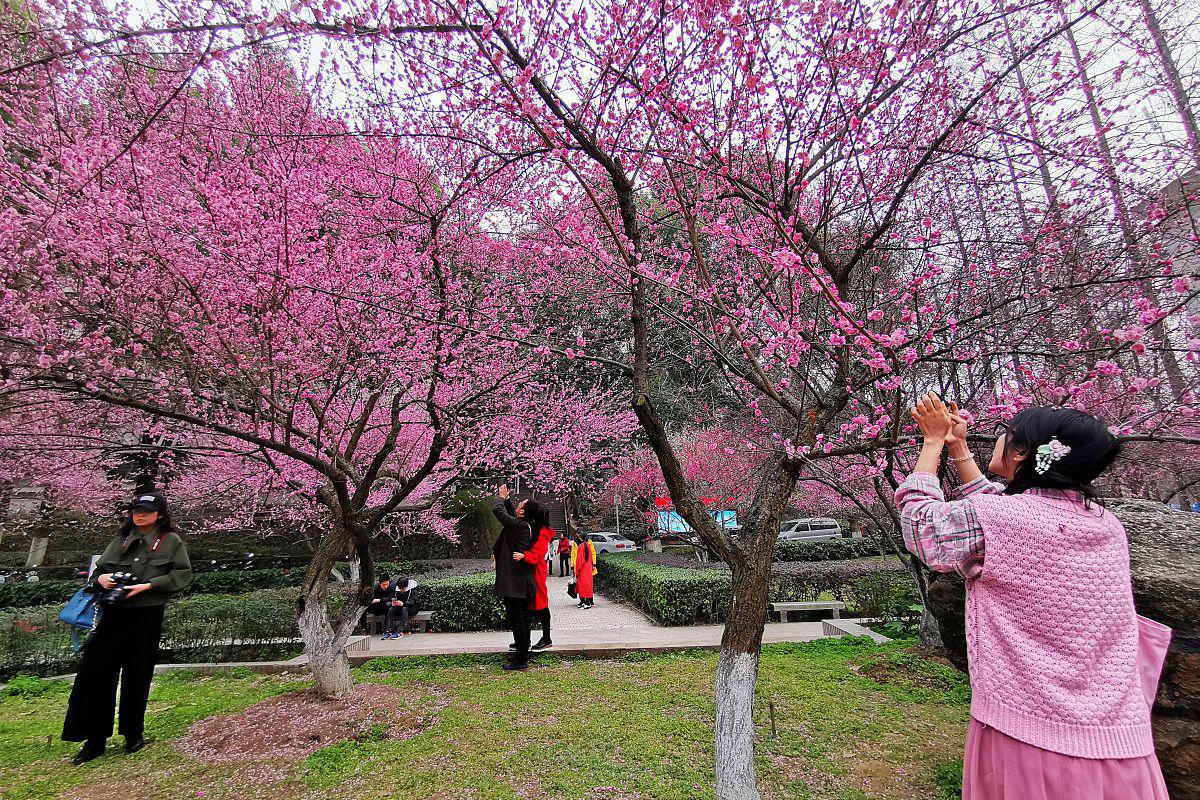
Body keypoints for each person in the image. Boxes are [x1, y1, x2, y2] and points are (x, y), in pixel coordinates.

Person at [896, 393, 1170, 800]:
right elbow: (1003, 515)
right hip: (1119, 744)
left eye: (1007, 434)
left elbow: (922, 526)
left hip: (1031, 737)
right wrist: (960, 449)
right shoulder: (1105, 524)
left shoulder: (1006, 520)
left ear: (1023, 453)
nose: (1000, 438)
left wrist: (932, 443)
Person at [62, 490, 192, 765]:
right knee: (95, 675)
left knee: (138, 675)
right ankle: (93, 738)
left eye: (146, 510)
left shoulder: (170, 541)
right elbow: (97, 572)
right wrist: (104, 578)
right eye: (136, 510)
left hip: (146, 614)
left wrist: (148, 585)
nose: (140, 514)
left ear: (159, 514)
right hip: (113, 614)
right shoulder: (121, 540)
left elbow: (181, 574)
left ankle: (133, 733)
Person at [492, 485, 537, 670]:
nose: (517, 505)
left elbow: (498, 511)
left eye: (521, 505)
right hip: (522, 582)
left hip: (516, 584)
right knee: (523, 620)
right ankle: (522, 653)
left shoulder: (518, 526)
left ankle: (521, 660)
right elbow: (510, 515)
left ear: (523, 513)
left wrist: (501, 498)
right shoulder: (523, 525)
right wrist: (508, 501)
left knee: (518, 621)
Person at [519, 509, 556, 651]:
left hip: (536, 573)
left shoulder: (542, 533)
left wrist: (524, 556)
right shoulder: (539, 530)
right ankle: (525, 639)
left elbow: (537, 554)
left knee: (540, 605)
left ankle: (545, 638)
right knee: (529, 607)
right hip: (532, 572)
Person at [367, 574, 403, 640]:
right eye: (383, 585)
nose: (385, 586)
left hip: (387, 608)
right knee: (364, 606)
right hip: (377, 608)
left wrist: (379, 600)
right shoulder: (375, 587)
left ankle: (387, 630)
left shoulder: (393, 586)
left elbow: (392, 598)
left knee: (389, 605)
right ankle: (364, 629)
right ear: (379, 583)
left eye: (387, 584)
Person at [572, 532, 597, 609]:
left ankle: (586, 602)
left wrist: (576, 570)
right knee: (588, 586)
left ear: (580, 537)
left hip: (582, 570)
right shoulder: (588, 545)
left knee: (582, 586)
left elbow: (579, 560)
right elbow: (592, 555)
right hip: (588, 568)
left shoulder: (580, 546)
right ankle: (588, 602)